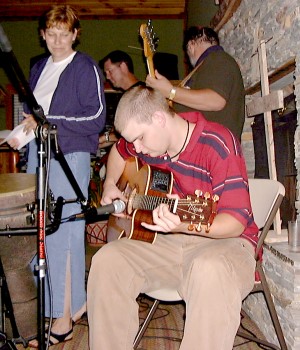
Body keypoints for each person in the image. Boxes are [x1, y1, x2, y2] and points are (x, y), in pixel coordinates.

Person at [87, 85, 258, 350]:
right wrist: (110, 183)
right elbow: (120, 152)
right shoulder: (147, 143)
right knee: (107, 261)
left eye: (140, 138)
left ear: (159, 118)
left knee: (209, 269)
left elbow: (235, 222)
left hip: (227, 244)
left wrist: (184, 223)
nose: (137, 147)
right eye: (134, 141)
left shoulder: (217, 143)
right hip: (169, 243)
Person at [8, 5, 106, 347]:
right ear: (42, 34)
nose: (58, 41)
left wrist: (50, 123)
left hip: (70, 155)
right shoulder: (37, 68)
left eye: (65, 34)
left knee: (63, 232)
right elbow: (33, 116)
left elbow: (95, 118)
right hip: (39, 154)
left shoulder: (85, 67)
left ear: (75, 34)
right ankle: (51, 310)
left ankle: (65, 317)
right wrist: (21, 137)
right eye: (52, 34)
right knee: (42, 233)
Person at [146, 26, 245, 140]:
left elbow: (216, 100)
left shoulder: (217, 58)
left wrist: (170, 92)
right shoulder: (209, 64)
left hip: (213, 151)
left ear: (191, 45)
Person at [98, 50, 145, 148]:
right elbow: (116, 135)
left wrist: (104, 138)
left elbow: (135, 131)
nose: (107, 77)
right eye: (106, 73)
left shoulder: (142, 93)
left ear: (123, 66)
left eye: (110, 71)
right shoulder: (125, 96)